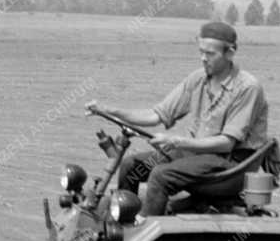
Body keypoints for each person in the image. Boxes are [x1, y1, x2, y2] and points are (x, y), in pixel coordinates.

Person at [85, 21, 269, 216]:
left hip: (231, 167)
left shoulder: (248, 87)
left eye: (210, 54)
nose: (203, 59)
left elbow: (226, 143)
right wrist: (110, 110)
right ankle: (122, 219)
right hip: (197, 156)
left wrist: (176, 141)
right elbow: (156, 115)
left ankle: (144, 235)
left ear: (230, 53)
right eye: (201, 52)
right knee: (131, 165)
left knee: (161, 175)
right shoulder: (197, 79)